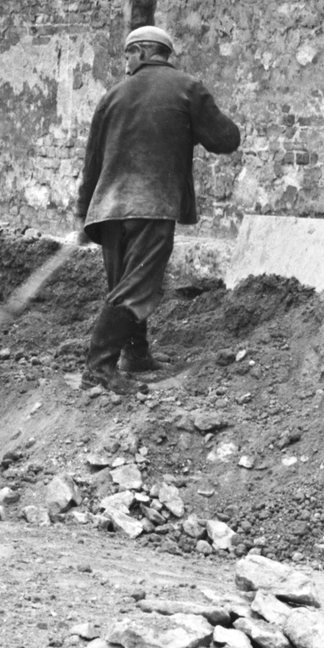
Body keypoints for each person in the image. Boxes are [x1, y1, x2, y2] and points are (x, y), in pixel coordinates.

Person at [76, 24, 241, 391]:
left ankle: (135, 355)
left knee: (123, 282)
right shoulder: (187, 89)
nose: (125, 65)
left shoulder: (112, 96)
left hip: (107, 209)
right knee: (138, 286)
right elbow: (225, 139)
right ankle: (99, 368)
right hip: (151, 205)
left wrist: (82, 215)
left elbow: (91, 162)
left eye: (128, 55)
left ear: (145, 52)